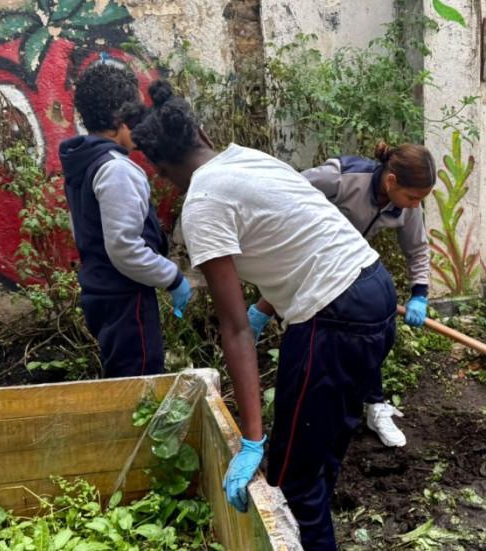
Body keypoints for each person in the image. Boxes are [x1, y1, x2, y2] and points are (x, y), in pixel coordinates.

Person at [132, 81, 397, 550]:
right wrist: (264, 308)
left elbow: (233, 329)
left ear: (160, 171)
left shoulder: (202, 206)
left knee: (291, 483)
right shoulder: (247, 157)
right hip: (374, 290)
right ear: (203, 133)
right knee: (323, 446)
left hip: (331, 319)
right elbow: (298, 241)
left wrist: (251, 441)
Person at [247, 144, 436, 448]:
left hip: (350, 267)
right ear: (390, 181)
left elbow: (416, 248)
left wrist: (420, 293)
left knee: (370, 333)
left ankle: (374, 406)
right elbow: (283, 190)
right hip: (307, 256)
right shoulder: (340, 179)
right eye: (413, 197)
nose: (416, 205)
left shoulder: (406, 206)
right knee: (309, 334)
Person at [59, 63, 191, 377]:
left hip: (101, 291)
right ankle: (132, 429)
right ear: (121, 120)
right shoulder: (117, 169)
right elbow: (124, 247)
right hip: (125, 298)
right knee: (140, 381)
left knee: (120, 375)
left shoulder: (84, 160)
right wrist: (172, 277)